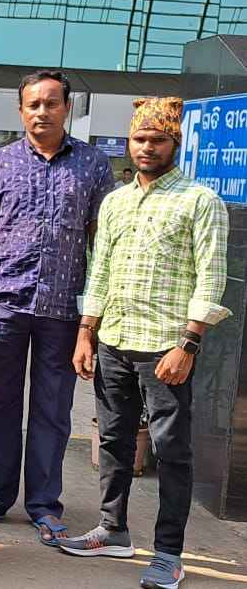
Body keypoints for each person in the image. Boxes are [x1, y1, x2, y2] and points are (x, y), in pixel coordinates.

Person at [59, 97, 229, 589]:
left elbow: (211, 277)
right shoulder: (115, 201)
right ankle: (112, 529)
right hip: (113, 339)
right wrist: (86, 332)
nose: (147, 147)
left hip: (166, 347)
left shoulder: (200, 201)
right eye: (139, 138)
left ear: (175, 142)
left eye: (158, 139)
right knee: (113, 440)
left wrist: (188, 343)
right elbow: (100, 270)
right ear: (129, 143)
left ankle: (169, 553)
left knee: (171, 449)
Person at [0, 70, 113, 546]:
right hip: (4, 302)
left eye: (51, 103)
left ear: (67, 107)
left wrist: (90, 322)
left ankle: (44, 504)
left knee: (53, 408)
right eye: (33, 104)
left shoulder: (93, 164)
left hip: (62, 307)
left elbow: (99, 243)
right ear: (21, 110)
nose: (42, 111)